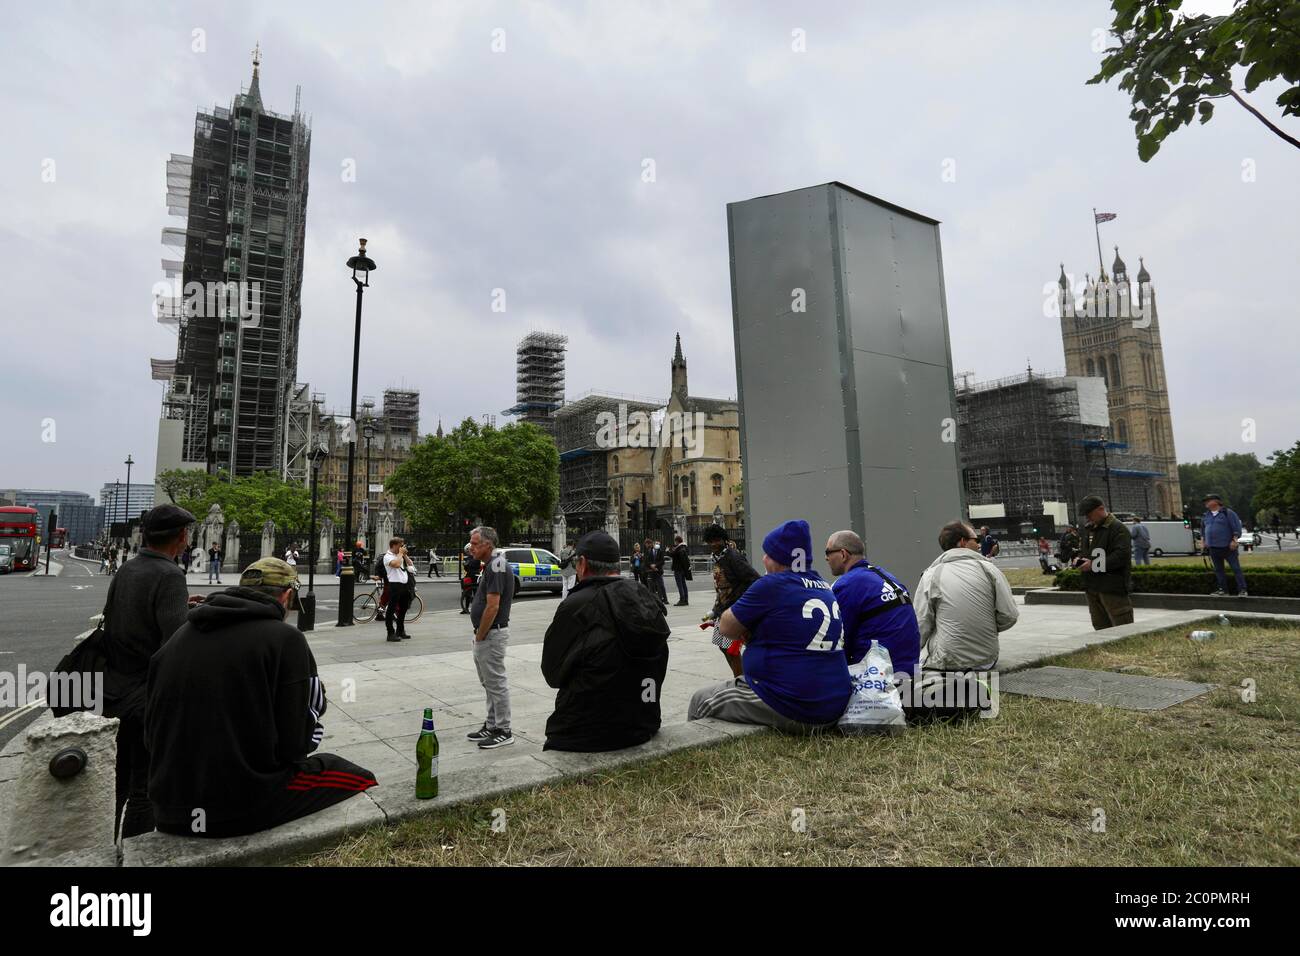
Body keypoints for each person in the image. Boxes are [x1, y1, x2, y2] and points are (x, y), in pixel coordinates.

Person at [145, 558, 376, 838]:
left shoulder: (180, 636)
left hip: (169, 809)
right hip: (234, 808)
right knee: (357, 776)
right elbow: (297, 746)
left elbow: (151, 733)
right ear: (287, 596)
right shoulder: (285, 639)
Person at [688, 519, 852, 733]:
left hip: (796, 705)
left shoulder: (772, 584)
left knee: (699, 700)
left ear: (781, 558)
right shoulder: (824, 586)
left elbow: (726, 628)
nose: (764, 559)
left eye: (768, 554)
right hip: (833, 703)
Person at [102, 503, 198, 839]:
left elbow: (120, 619)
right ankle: (133, 855)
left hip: (115, 691)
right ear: (182, 537)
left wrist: (182, 606)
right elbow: (175, 644)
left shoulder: (129, 569)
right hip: (147, 696)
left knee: (119, 783)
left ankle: (106, 847)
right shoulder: (170, 575)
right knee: (145, 789)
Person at [541, 531, 671, 752]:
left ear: (581, 564)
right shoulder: (645, 598)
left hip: (586, 731)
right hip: (643, 722)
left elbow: (552, 672)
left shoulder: (576, 605)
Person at [913, 521, 1019, 671]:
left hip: (946, 661)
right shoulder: (989, 569)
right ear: (962, 542)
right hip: (986, 660)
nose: (979, 544)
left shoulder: (931, 575)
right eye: (976, 540)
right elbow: (1010, 615)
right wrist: (984, 625)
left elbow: (921, 624)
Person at [824, 530, 920, 677]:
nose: (826, 558)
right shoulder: (888, 577)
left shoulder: (847, 585)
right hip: (912, 671)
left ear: (843, 554)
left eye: (828, 552)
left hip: (880, 680)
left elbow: (839, 641)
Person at [467, 526, 514, 749]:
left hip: (491, 633)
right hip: (487, 633)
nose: (470, 547)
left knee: (496, 682)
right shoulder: (491, 565)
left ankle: (504, 729)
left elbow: (492, 606)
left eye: (475, 543)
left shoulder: (496, 565)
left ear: (488, 544)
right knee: (489, 683)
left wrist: (481, 636)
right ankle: (492, 723)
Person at [700, 523, 760, 678]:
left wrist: (740, 603)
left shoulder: (733, 557)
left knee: (730, 648)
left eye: (717, 540)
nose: (714, 544)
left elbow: (753, 579)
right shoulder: (719, 557)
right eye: (711, 541)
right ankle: (741, 678)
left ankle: (741, 681)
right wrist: (715, 609)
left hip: (734, 610)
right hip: (724, 609)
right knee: (723, 646)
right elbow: (722, 586)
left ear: (724, 540)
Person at [1075, 495, 1133, 630]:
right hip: (1092, 587)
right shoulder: (1089, 529)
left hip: (1112, 587)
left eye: (1089, 514)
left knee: (1122, 628)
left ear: (1101, 509)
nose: (1087, 518)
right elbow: (1086, 553)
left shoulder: (1118, 528)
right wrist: (1079, 559)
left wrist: (1093, 564)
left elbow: (1120, 556)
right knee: (1100, 628)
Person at [1200, 493, 1247, 597]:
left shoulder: (1228, 513)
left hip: (1228, 547)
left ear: (1216, 501)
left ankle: (1242, 589)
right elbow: (1203, 531)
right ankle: (1223, 590)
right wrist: (1203, 542)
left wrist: (1234, 540)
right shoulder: (1205, 516)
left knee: (1235, 568)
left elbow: (1236, 528)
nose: (1206, 503)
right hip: (1213, 547)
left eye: (1208, 500)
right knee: (1218, 570)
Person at [381, 537, 415, 641]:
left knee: (403, 609)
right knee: (391, 610)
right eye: (400, 546)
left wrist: (404, 555)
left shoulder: (400, 555)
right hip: (394, 585)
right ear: (394, 545)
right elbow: (396, 565)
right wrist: (400, 554)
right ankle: (390, 633)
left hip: (404, 585)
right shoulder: (387, 556)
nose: (402, 548)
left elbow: (410, 564)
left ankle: (400, 630)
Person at [645, 538, 668, 606]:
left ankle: (662, 599)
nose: (656, 545)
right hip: (652, 571)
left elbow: (662, 561)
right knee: (652, 586)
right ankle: (655, 599)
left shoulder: (660, 551)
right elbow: (647, 560)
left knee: (660, 586)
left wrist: (656, 566)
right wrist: (651, 566)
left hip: (658, 571)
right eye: (656, 544)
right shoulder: (650, 551)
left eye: (658, 544)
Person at [669, 534, 691, 606]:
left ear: (677, 541)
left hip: (678, 569)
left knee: (680, 585)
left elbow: (673, 554)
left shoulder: (679, 548)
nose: (674, 543)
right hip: (683, 569)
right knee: (683, 584)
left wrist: (668, 551)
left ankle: (682, 599)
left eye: (675, 542)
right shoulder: (684, 547)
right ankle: (686, 599)